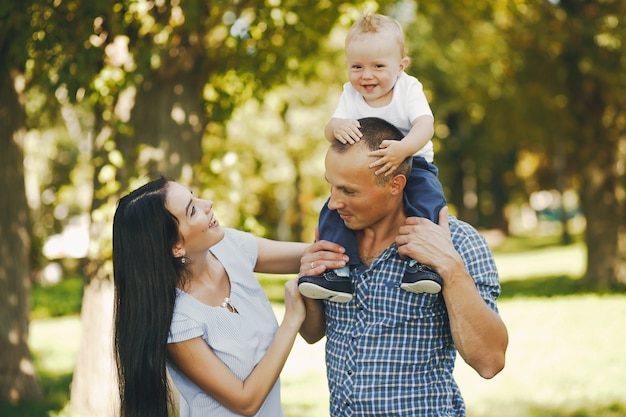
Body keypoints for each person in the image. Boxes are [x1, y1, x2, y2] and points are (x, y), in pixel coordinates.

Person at [298, 117, 508, 416]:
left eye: (349, 191)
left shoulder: (457, 242)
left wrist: (449, 268)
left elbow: (489, 361)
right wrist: (310, 283)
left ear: (395, 185)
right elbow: (312, 333)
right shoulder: (334, 237)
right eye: (331, 187)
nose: (333, 203)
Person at [112, 177, 309, 417]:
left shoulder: (229, 245)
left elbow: (312, 255)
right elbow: (246, 401)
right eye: (193, 210)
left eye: (194, 195)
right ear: (176, 246)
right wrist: (291, 321)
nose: (208, 203)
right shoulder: (178, 321)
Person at [298, 13, 446, 302]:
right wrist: (336, 127)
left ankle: (423, 263)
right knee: (333, 210)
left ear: (400, 66)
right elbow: (330, 128)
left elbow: (425, 126)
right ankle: (336, 273)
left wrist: (404, 149)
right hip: (366, 171)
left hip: (412, 162)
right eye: (357, 66)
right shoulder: (349, 94)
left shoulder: (408, 88)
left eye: (378, 66)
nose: (366, 75)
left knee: (426, 201)